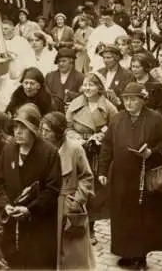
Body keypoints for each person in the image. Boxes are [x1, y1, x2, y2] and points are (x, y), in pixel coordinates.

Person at [97, 82, 162, 269]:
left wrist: (152, 153)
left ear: (142, 100)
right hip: (121, 178)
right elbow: (107, 146)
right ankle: (125, 251)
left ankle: (140, 255)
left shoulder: (155, 119)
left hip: (144, 177)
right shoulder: (117, 119)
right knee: (122, 215)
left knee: (142, 216)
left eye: (133, 99)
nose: (129, 103)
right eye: (125, 99)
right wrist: (102, 170)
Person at [0, 103, 62, 269]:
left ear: (34, 130)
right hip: (11, 224)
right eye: (15, 127)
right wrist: (6, 205)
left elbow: (52, 190)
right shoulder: (9, 150)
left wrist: (30, 209)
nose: (17, 132)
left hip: (39, 224)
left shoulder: (49, 153)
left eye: (23, 128)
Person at [66, 72, 118, 245]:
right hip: (78, 149)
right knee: (74, 186)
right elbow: (67, 126)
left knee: (93, 191)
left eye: (92, 85)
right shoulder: (75, 104)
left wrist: (100, 137)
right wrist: (75, 137)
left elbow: (115, 129)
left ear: (100, 87)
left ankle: (91, 227)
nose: (87, 88)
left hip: (97, 154)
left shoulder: (109, 107)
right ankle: (74, 224)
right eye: (85, 84)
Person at [40, 112, 95, 270]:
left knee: (73, 253)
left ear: (58, 132)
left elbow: (87, 177)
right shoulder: (43, 149)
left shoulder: (75, 149)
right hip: (48, 206)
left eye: (47, 131)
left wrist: (77, 201)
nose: (43, 134)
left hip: (69, 204)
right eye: (42, 130)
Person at [44, 48, 85, 113]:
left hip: (73, 114)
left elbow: (82, 98)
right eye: (59, 61)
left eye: (64, 61)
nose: (61, 64)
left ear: (71, 61)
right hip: (52, 114)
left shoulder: (80, 77)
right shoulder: (50, 76)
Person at [131, 52, 162, 116]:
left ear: (145, 67)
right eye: (133, 66)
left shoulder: (156, 85)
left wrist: (151, 117)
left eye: (137, 67)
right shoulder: (130, 83)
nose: (134, 69)